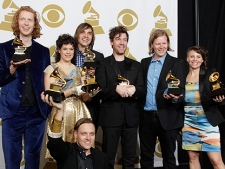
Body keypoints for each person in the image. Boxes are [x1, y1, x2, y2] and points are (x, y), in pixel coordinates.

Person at [0, 6, 51, 169]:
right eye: (23, 19)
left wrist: (47, 106)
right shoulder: (4, 48)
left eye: (30, 19)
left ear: (35, 24)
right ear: (17, 22)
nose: (26, 23)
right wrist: (12, 69)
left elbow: (47, 80)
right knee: (11, 159)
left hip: (36, 112)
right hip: (12, 111)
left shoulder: (43, 52)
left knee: (33, 160)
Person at [95, 26, 145, 169]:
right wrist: (116, 89)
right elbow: (100, 90)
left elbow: (142, 90)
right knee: (108, 158)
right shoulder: (103, 63)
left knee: (129, 159)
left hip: (131, 118)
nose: (122, 42)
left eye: (124, 39)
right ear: (111, 42)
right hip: (111, 117)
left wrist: (134, 89)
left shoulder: (136, 65)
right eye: (118, 39)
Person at [44, 34, 99, 158]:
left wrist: (90, 93)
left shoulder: (80, 71)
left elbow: (84, 98)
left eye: (71, 49)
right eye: (65, 49)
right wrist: (73, 90)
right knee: (60, 149)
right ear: (59, 50)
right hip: (60, 110)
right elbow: (51, 96)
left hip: (79, 111)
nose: (68, 52)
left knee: (81, 150)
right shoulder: (51, 69)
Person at [139, 29, 186, 169]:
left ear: (168, 44)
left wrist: (174, 97)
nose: (161, 46)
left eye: (164, 43)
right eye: (158, 43)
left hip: (168, 116)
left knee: (169, 158)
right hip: (146, 117)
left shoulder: (177, 63)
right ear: (152, 44)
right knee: (146, 156)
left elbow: (181, 88)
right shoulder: (144, 62)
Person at [181, 46, 225, 169]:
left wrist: (219, 99)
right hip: (188, 123)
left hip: (208, 122)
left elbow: (217, 94)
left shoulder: (210, 74)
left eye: (198, 56)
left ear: (202, 59)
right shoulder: (181, 77)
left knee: (216, 160)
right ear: (187, 58)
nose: (195, 59)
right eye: (192, 56)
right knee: (193, 157)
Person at [41, 93, 109, 169]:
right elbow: (54, 142)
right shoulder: (66, 152)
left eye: (92, 134)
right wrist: (60, 111)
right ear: (75, 134)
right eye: (84, 134)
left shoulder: (102, 158)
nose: (88, 137)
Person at [72, 22, 104, 128]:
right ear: (77, 35)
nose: (86, 36)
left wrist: (96, 75)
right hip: (71, 103)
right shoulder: (68, 53)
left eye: (89, 33)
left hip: (91, 105)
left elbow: (103, 82)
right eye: (83, 32)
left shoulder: (98, 57)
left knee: (88, 140)